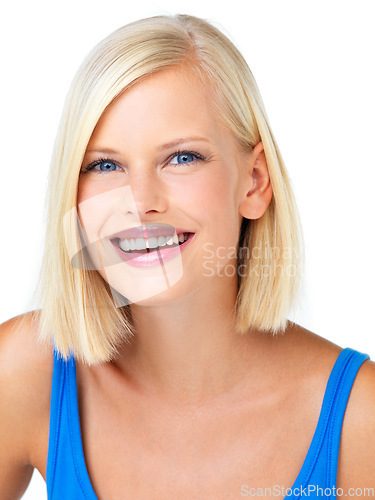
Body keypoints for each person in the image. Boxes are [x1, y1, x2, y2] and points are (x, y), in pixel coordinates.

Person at [0, 13, 374, 499]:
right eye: (105, 164)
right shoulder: (27, 371)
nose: (139, 200)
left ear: (255, 182)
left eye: (182, 158)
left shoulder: (359, 419)